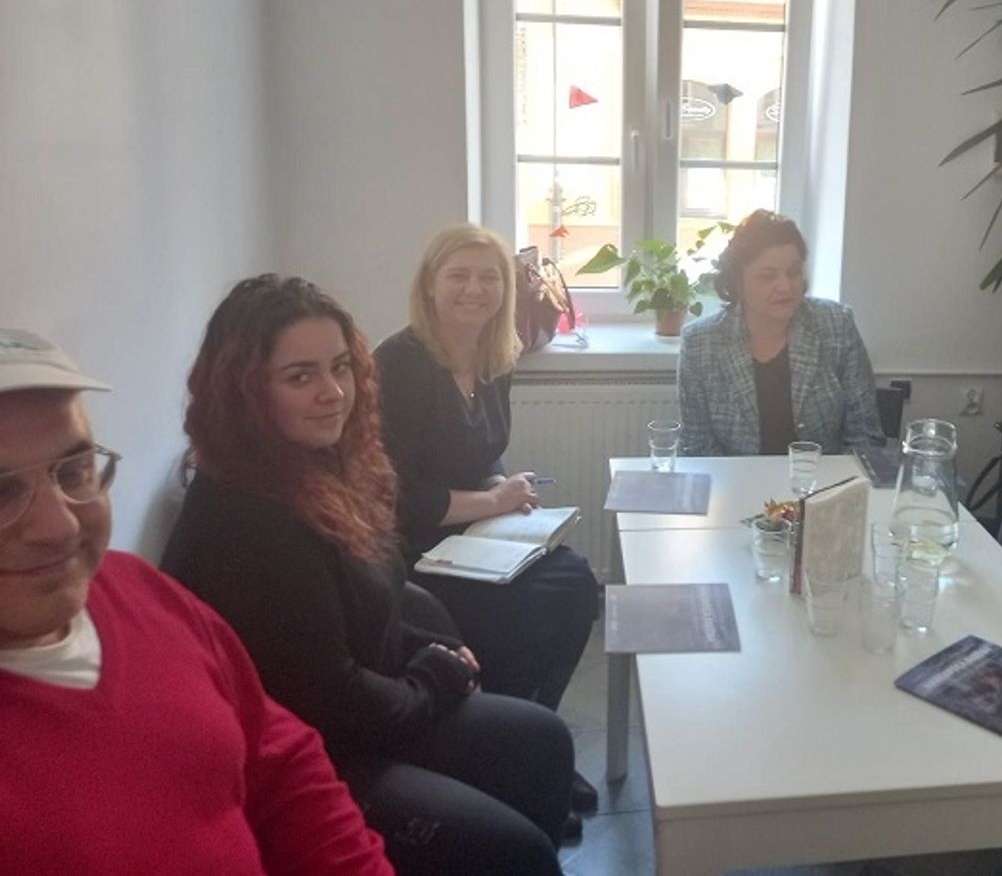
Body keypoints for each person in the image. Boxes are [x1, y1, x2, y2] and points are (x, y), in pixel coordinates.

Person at [160, 277, 573, 876]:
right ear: (245, 391)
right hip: (310, 760)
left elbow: (368, 596)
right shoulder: (247, 525)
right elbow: (333, 706)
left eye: (340, 368)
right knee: (515, 853)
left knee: (543, 742)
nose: (333, 393)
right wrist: (433, 679)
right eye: (299, 377)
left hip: (365, 709)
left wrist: (427, 649)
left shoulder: (318, 466)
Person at [0, 328, 392, 875]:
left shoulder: (137, 589)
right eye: (1, 491)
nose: (59, 526)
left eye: (74, 470)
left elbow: (279, 758)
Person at [372, 225, 600, 814]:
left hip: (473, 535)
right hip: (416, 550)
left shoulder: (495, 356)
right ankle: (500, 754)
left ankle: (533, 740)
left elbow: (482, 453)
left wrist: (501, 484)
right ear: (430, 284)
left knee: (577, 585)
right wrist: (493, 503)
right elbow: (396, 494)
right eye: (459, 275)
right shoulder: (399, 363)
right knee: (520, 611)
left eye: (489, 277)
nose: (475, 289)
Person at [677, 209, 881, 455]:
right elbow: (697, 448)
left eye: (794, 272)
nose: (785, 287)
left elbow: (865, 437)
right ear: (738, 283)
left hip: (822, 477)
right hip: (735, 478)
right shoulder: (700, 343)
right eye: (768, 276)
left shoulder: (836, 324)